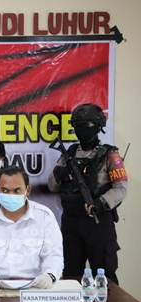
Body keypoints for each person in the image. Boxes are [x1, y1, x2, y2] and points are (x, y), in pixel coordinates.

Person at [48, 103, 127, 284]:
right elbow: (52, 186)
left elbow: (121, 188)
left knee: (105, 277)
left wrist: (101, 203)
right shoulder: (69, 153)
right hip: (71, 223)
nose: (82, 130)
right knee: (70, 276)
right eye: (78, 126)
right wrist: (58, 175)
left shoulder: (110, 155)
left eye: (87, 126)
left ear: (98, 127)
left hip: (98, 223)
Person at [0, 166, 63, 289]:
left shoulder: (44, 216)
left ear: (28, 190)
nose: (11, 195)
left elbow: (54, 254)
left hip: (34, 286)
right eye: (5, 191)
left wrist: (49, 275)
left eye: (17, 191)